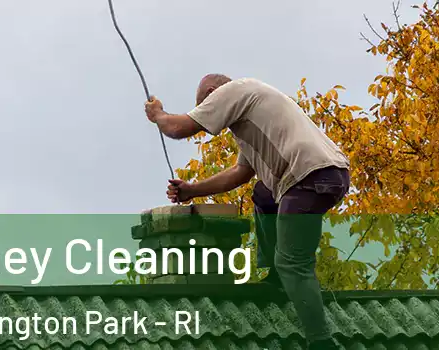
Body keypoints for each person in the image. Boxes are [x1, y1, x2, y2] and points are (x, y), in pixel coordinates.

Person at [143, 74, 350, 350]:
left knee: (293, 263)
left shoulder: (234, 90)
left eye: (205, 104)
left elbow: (179, 128)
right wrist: (193, 189)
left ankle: (322, 342)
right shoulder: (251, 113)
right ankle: (278, 280)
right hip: (324, 174)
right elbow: (241, 172)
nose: (207, 112)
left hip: (308, 177)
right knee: (264, 193)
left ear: (213, 92)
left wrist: (158, 114)